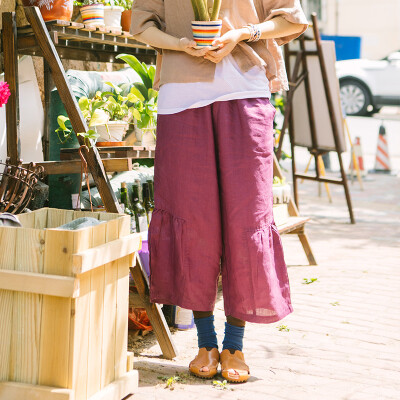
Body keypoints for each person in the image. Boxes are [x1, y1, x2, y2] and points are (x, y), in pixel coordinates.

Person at [130, 0, 308, 383]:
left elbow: (290, 18)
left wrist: (243, 33)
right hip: (181, 98)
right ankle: (206, 342)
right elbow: (141, 24)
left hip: (245, 91)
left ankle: (235, 344)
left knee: (246, 219)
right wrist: (181, 44)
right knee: (192, 220)